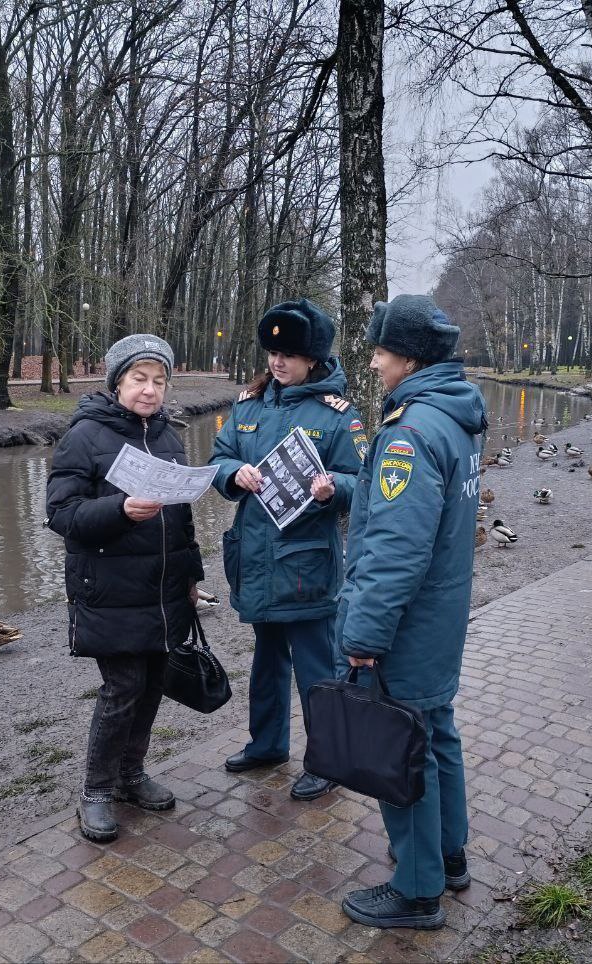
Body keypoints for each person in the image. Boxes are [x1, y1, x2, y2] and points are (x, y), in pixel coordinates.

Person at [335, 295, 487, 930]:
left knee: (402, 752)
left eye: (378, 351)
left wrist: (363, 635)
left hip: (407, 626)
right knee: (437, 733)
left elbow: (396, 551)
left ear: (407, 357)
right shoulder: (456, 417)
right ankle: (449, 856)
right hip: (440, 618)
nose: (372, 363)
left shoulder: (409, 435)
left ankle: (417, 889)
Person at [46, 334, 205, 843]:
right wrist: (120, 510)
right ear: (117, 381)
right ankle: (95, 791)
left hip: (163, 589)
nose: (150, 390)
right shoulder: (85, 436)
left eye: (159, 381)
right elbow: (60, 514)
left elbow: (183, 519)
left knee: (153, 684)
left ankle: (131, 774)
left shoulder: (168, 436)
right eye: (139, 379)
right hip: (109, 589)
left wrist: (192, 577)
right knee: (122, 689)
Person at [209, 299, 365, 802]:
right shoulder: (248, 405)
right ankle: (268, 744)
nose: (278, 362)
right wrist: (232, 474)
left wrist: (332, 488)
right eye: (273, 352)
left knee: (318, 667)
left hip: (306, 564)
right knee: (267, 660)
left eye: (290, 355)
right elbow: (219, 459)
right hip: (256, 558)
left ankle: (328, 758)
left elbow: (365, 484)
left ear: (314, 359)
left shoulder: (339, 417)